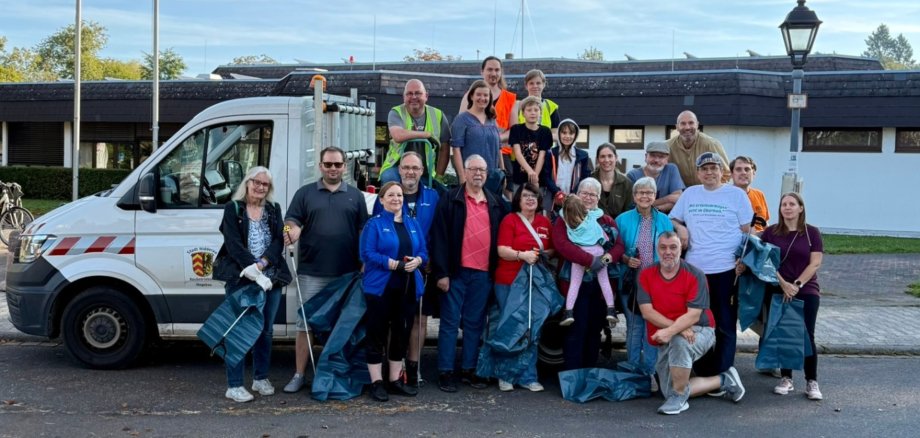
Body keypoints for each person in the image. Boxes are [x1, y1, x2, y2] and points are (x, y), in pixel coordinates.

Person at [281, 146, 370, 393]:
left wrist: (364, 261)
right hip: (311, 272)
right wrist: (291, 231)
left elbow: (364, 230)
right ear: (320, 166)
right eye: (328, 164)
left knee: (342, 328)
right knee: (305, 326)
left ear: (344, 166)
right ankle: (299, 374)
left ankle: (337, 375)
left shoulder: (355, 196)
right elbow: (289, 221)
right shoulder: (305, 193)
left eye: (337, 164)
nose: (333, 168)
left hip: (347, 274)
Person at [637, 231, 745, 415]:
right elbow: (647, 312)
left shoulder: (695, 275)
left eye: (673, 247)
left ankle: (679, 398)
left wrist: (671, 331)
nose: (668, 252)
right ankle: (724, 380)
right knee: (667, 391)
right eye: (663, 247)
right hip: (673, 330)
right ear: (657, 250)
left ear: (681, 250)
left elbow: (694, 315)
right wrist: (676, 329)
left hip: (701, 328)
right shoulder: (646, 275)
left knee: (680, 344)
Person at [669, 152, 753, 382]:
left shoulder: (736, 195)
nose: (709, 172)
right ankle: (703, 369)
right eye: (704, 169)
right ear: (698, 173)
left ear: (722, 171)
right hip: (695, 271)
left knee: (725, 322)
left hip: (726, 269)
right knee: (698, 321)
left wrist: (743, 259)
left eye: (713, 168)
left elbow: (748, 231)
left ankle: (724, 372)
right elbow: (673, 218)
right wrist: (680, 228)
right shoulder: (690, 194)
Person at [215, 166, 292, 403]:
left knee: (265, 330)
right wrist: (253, 268)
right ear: (247, 183)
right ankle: (234, 385)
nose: (260, 187)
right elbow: (233, 243)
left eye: (265, 184)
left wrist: (263, 264)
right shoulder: (233, 208)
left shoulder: (274, 209)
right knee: (238, 331)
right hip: (241, 278)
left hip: (270, 279)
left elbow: (279, 239)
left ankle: (260, 378)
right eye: (256, 182)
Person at [430, 154, 506, 392]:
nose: (478, 174)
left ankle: (469, 369)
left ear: (487, 173)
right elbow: (439, 237)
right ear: (465, 171)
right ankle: (445, 371)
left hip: (483, 274)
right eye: (473, 169)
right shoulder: (450, 198)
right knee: (450, 323)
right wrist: (441, 273)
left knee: (475, 324)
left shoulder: (495, 202)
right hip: (455, 272)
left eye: (482, 170)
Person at [373, 152, 440, 388]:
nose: (410, 172)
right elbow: (376, 230)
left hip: (423, 267)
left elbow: (438, 232)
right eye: (406, 167)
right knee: (393, 320)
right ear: (399, 170)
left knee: (418, 320)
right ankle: (394, 367)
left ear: (422, 171)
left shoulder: (433, 196)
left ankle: (413, 368)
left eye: (415, 168)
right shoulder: (387, 196)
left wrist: (431, 260)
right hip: (391, 268)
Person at [360, 181, 428, 402]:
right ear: (381, 200)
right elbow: (367, 253)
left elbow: (423, 250)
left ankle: (395, 380)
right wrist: (393, 264)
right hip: (380, 287)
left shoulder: (413, 223)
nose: (396, 199)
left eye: (399, 195)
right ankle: (376, 382)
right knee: (377, 333)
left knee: (401, 333)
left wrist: (418, 261)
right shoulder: (374, 224)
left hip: (407, 286)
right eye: (390, 195)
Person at [552, 178, 625, 370]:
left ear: (599, 198)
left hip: (599, 287)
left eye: (593, 194)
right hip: (574, 284)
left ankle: (589, 372)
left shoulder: (606, 220)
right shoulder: (564, 218)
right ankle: (573, 375)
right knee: (576, 330)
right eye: (584, 193)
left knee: (594, 330)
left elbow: (619, 246)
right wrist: (590, 260)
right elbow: (561, 244)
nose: (588, 197)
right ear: (577, 194)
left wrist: (607, 258)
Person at [760, 192, 824, 400]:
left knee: (806, 334)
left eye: (792, 204)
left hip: (806, 289)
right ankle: (786, 378)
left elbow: (815, 263)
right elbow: (765, 261)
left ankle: (811, 381)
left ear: (801, 208)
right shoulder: (771, 232)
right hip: (779, 288)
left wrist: (796, 285)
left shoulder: (812, 232)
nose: (787, 207)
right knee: (784, 334)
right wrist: (783, 284)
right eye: (783, 204)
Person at [493, 183, 554, 392]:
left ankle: (528, 376)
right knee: (510, 328)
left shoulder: (545, 222)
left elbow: (553, 249)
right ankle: (505, 375)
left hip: (535, 283)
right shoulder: (510, 220)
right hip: (509, 281)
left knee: (532, 329)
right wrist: (522, 255)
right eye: (526, 195)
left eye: (534, 196)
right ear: (518, 199)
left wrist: (540, 254)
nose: (530, 199)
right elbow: (502, 250)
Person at [615, 176, 674, 384]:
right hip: (631, 281)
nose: (645, 196)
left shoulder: (664, 220)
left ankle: (650, 371)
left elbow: (672, 251)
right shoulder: (622, 219)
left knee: (652, 325)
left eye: (649, 193)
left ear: (655, 196)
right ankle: (633, 368)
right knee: (634, 325)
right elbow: (615, 249)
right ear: (634, 196)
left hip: (656, 283)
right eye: (641, 192)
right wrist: (625, 258)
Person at [558, 194, 617, 326]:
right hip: (598, 251)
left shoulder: (567, 222)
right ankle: (611, 309)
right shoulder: (591, 216)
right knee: (604, 281)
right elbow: (600, 211)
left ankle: (569, 312)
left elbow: (562, 211)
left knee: (575, 283)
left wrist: (567, 205)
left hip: (581, 253)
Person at [379, 79, 451, 184]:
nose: (413, 97)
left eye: (418, 93)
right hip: (397, 169)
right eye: (409, 93)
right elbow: (398, 136)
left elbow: (444, 149)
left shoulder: (438, 115)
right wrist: (426, 134)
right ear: (404, 97)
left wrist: (439, 177)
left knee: (440, 191)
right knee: (389, 178)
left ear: (426, 96)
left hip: (425, 172)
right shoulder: (396, 112)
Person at [452, 80, 502, 186]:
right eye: (478, 94)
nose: (482, 98)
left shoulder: (492, 120)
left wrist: (503, 172)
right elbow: (456, 150)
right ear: (471, 96)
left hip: (493, 178)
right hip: (472, 178)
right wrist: (462, 177)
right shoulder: (461, 119)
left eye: (486, 95)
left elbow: (499, 149)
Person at [459, 56, 517, 145]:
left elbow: (514, 130)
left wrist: (496, 138)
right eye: (490, 69)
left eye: (497, 70)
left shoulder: (510, 98)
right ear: (482, 72)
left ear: (501, 72)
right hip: (475, 149)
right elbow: (461, 126)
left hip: (501, 150)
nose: (493, 73)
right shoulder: (469, 96)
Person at [666, 111, 730, 186]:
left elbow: (726, 173)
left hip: (707, 189)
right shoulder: (668, 147)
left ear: (697, 125)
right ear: (677, 127)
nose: (687, 127)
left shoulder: (711, 144)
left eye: (691, 123)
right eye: (683, 123)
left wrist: (712, 189)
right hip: (680, 192)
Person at [544, 118, 592, 213]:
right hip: (554, 198)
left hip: (575, 199)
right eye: (564, 133)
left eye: (571, 133)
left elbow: (584, 178)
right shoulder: (551, 153)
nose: (567, 136)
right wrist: (557, 192)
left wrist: (573, 195)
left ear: (575, 135)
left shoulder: (583, 155)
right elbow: (546, 176)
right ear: (559, 134)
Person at [626, 141, 685, 213]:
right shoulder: (633, 175)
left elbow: (678, 198)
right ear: (646, 157)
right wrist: (668, 198)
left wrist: (652, 208)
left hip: (667, 217)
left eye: (661, 157)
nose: (656, 160)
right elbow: (634, 205)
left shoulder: (671, 169)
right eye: (653, 156)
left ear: (667, 159)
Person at [510, 96, 553, 188]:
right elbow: (517, 153)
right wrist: (530, 171)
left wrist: (535, 176)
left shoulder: (545, 131)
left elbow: (542, 155)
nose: (533, 113)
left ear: (540, 113)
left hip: (539, 179)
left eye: (536, 110)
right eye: (529, 110)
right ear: (523, 113)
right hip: (519, 179)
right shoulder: (516, 129)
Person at [510, 69, 561, 133]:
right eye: (531, 83)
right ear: (526, 86)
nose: (535, 86)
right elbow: (514, 131)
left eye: (538, 83)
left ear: (543, 84)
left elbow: (556, 133)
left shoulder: (551, 107)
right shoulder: (518, 106)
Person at [592, 143, 633, 219]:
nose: (606, 160)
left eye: (610, 156)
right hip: (593, 224)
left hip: (619, 225)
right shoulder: (589, 181)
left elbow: (629, 212)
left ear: (616, 158)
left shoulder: (626, 183)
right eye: (602, 156)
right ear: (597, 159)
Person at [730, 156, 769, 232]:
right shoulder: (725, 196)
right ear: (731, 174)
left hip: (760, 238)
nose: (743, 172)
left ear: (753, 173)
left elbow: (765, 222)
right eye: (738, 169)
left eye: (747, 169)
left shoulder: (759, 194)